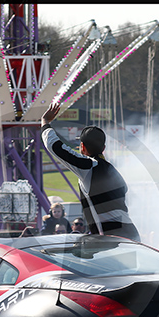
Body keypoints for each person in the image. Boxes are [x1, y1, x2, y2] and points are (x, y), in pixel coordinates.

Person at [41, 102, 140, 241]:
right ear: (103, 147)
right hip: (131, 237)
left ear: (82, 146)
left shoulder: (89, 166)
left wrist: (45, 122)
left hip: (114, 239)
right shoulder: (114, 171)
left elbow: (55, 147)